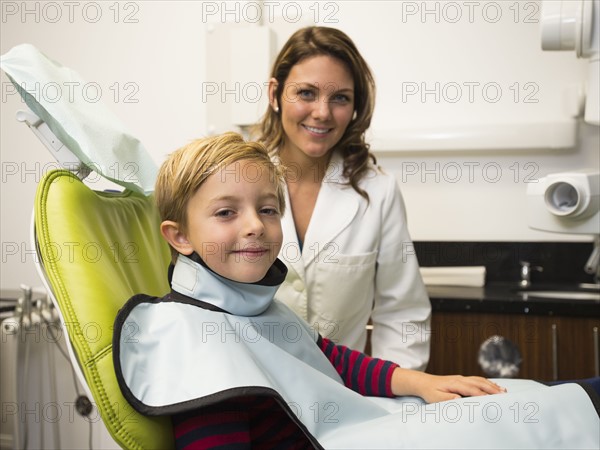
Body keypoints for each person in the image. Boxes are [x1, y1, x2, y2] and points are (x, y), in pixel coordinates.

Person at [114, 133, 599, 449]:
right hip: (352, 437)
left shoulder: (253, 309)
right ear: (178, 236)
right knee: (541, 417)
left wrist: (422, 383)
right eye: (226, 213)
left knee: (531, 401)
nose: (255, 227)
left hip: (367, 420)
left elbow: (328, 359)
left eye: (267, 209)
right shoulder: (194, 342)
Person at [253, 26, 431, 369]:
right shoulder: (234, 178)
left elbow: (402, 313)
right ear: (275, 94)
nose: (322, 112)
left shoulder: (378, 191)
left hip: (345, 394)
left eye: (340, 98)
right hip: (252, 392)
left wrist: (391, 399)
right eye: (306, 93)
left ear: (354, 107)